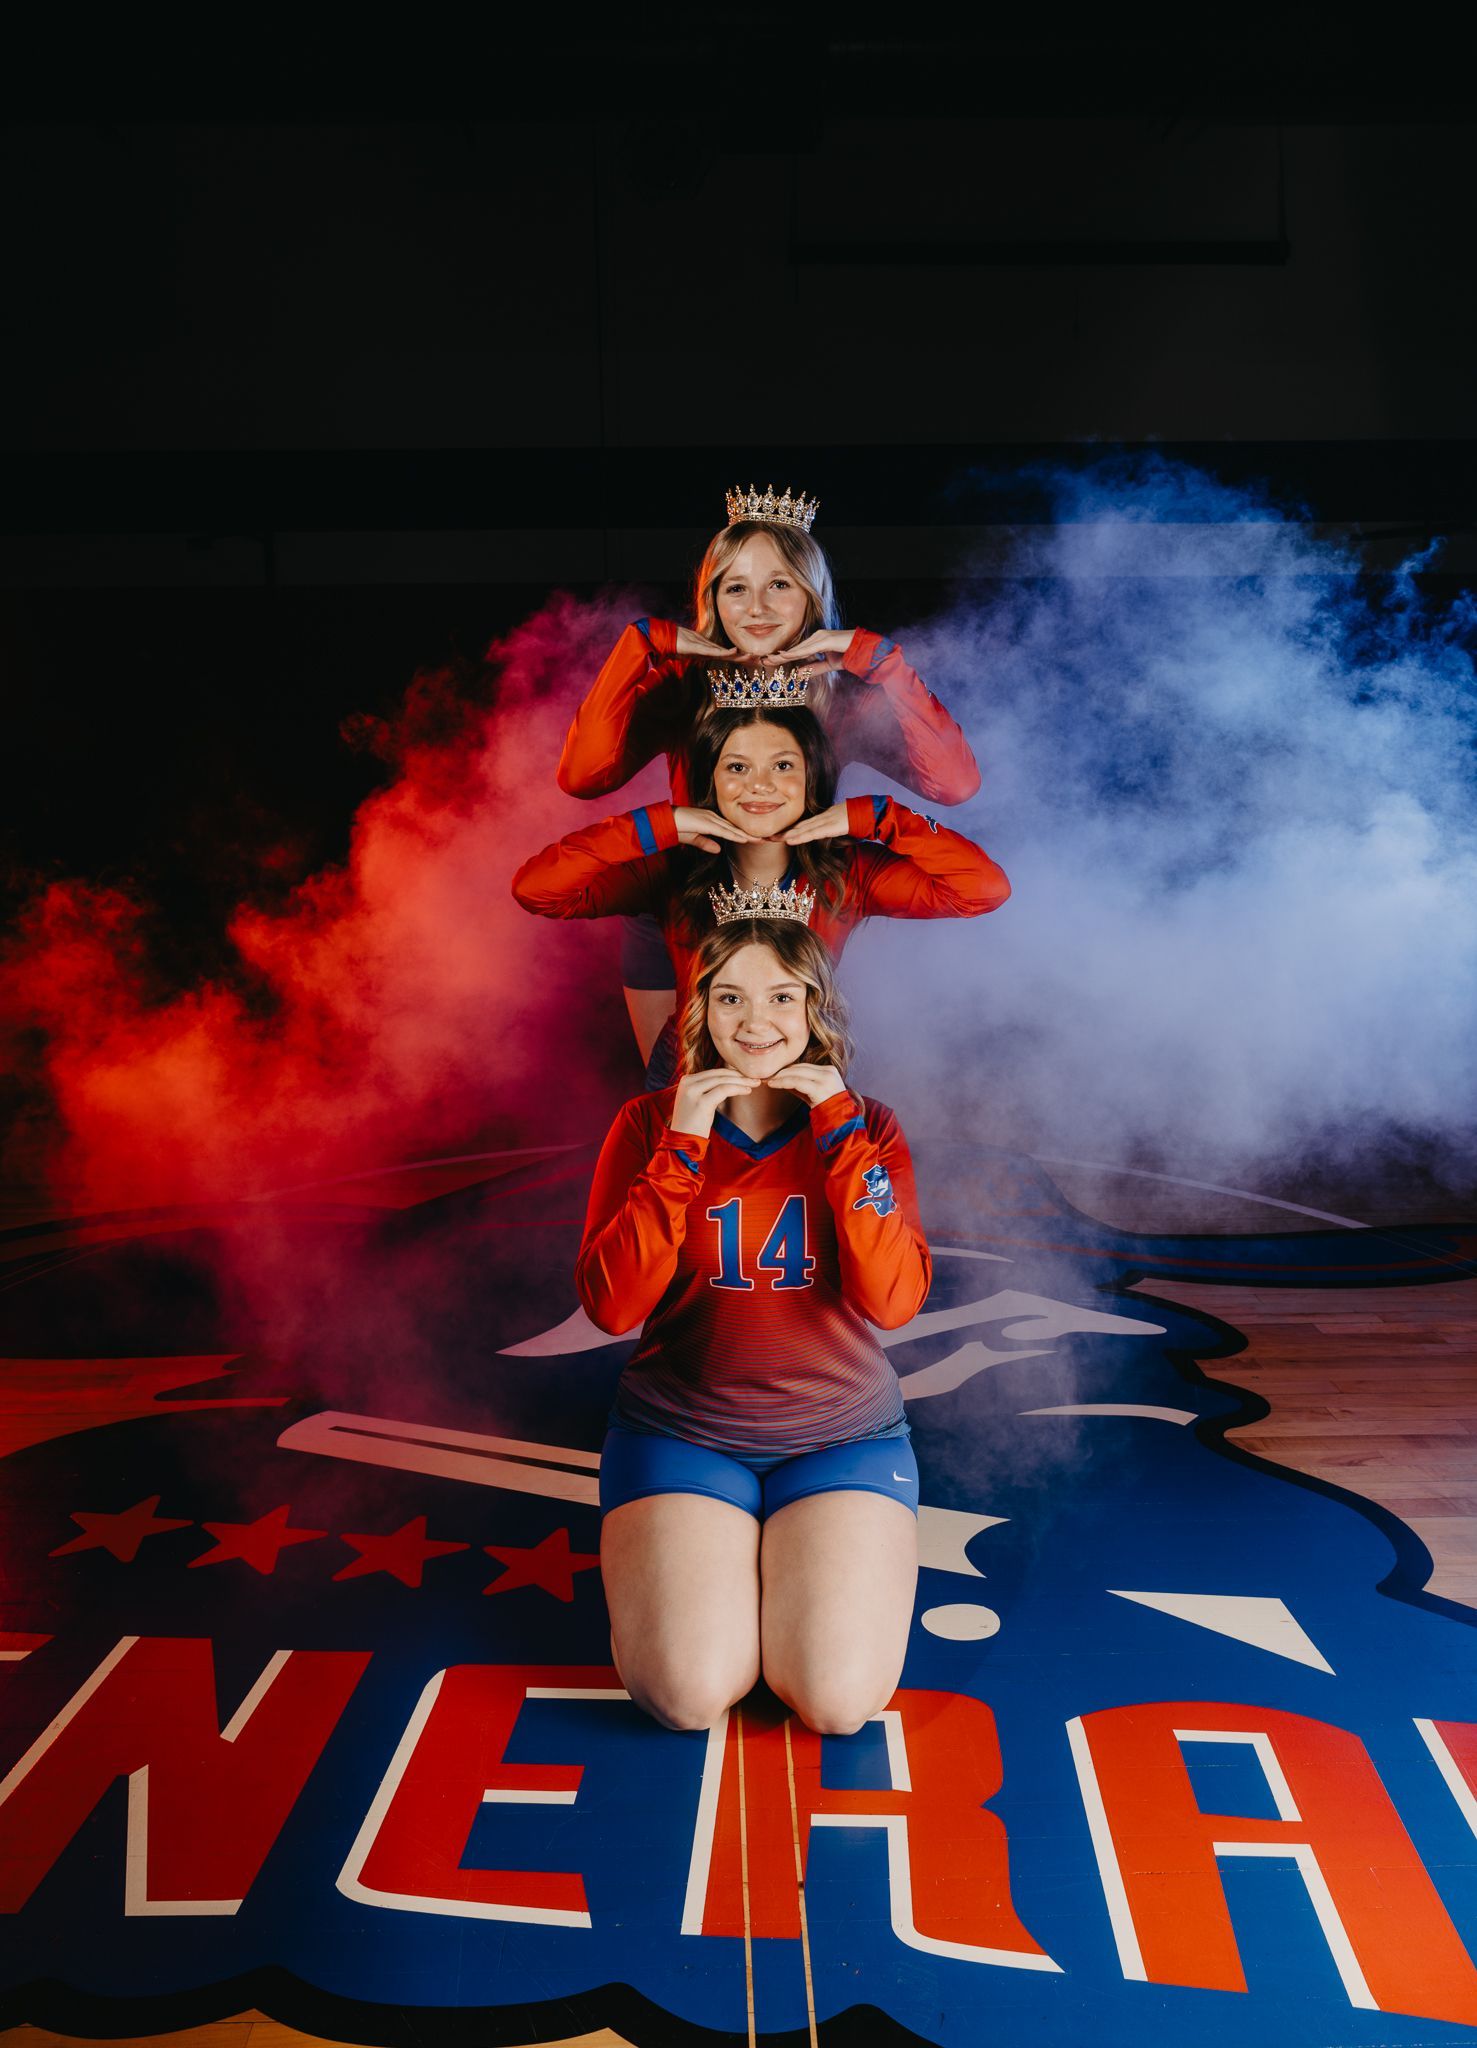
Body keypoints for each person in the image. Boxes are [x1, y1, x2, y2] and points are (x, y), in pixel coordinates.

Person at [577, 910, 930, 1734]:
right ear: (699, 1008)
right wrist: (682, 1147)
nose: (754, 1020)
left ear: (815, 1007)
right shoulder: (646, 1123)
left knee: (836, 1702)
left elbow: (894, 1301)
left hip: (841, 1437)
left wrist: (839, 1132)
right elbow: (611, 1307)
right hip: (681, 1433)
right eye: (729, 997)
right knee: (688, 1696)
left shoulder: (869, 1124)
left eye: (780, 996)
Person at [557, 484, 981, 1063]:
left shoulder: (843, 698)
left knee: (776, 1077)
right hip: (679, 905)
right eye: (736, 587)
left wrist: (883, 662)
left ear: (811, 594)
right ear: (713, 598)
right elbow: (582, 778)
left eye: (779, 584)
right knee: (678, 1084)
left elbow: (954, 785)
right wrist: (640, 646)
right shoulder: (680, 688)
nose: (756, 607)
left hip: (797, 904)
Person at [513, 696, 1010, 1086]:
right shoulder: (670, 868)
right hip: (688, 1074)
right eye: (737, 767)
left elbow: (982, 889)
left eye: (783, 765)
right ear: (711, 779)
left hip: (807, 1071)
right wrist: (658, 823)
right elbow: (538, 890)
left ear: (813, 776)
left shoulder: (848, 869)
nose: (760, 785)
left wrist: (881, 816)